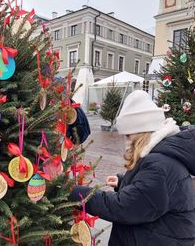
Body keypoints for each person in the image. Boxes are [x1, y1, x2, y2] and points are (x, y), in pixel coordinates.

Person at [70, 90, 195, 246]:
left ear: (142, 132)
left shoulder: (159, 166)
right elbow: (149, 195)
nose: (126, 142)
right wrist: (123, 182)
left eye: (128, 136)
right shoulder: (162, 155)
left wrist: (77, 193)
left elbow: (123, 207)